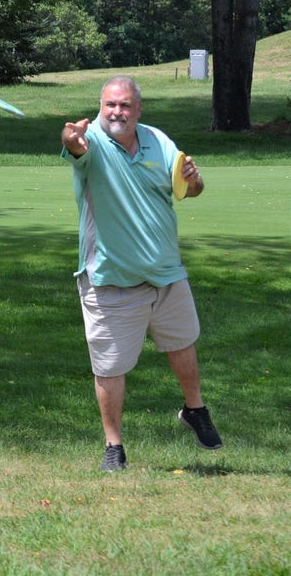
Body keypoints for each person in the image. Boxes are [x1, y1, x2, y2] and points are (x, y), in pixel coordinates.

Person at [60, 76, 222, 471]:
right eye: (110, 105)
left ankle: (195, 410)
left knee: (183, 344)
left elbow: (187, 188)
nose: (117, 112)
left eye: (125, 105)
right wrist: (71, 142)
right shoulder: (90, 141)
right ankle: (114, 446)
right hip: (110, 278)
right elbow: (75, 150)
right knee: (110, 366)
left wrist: (194, 183)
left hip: (167, 272)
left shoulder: (158, 141)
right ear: (101, 106)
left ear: (139, 109)